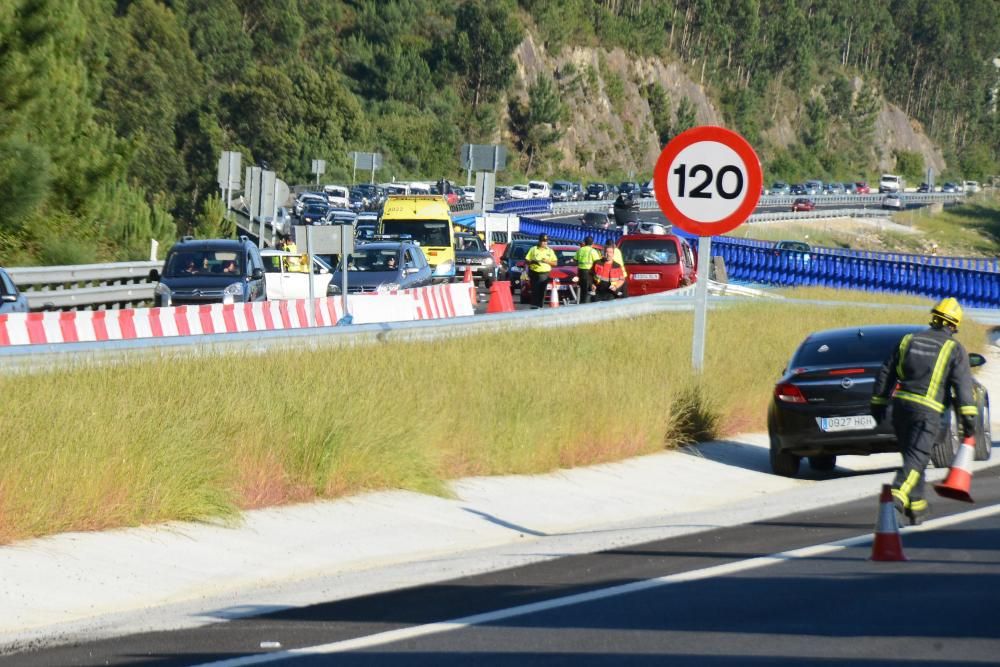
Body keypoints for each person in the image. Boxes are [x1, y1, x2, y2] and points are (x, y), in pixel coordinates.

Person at [870, 297, 978, 525]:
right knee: (918, 458)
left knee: (912, 457)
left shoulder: (908, 340)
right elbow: (963, 387)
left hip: (900, 409)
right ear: (954, 325)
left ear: (934, 318)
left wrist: (878, 403)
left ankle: (916, 505)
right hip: (926, 413)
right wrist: (968, 419)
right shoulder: (954, 349)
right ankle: (897, 498)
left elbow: (886, 372)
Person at [524, 234, 557, 308]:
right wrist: (532, 261)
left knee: (542, 291)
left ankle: (540, 306)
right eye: (543, 241)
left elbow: (555, 263)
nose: (545, 243)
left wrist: (547, 261)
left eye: (546, 241)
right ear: (539, 241)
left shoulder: (550, 251)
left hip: (544, 274)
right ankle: (534, 306)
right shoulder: (533, 249)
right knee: (535, 290)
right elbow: (527, 260)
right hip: (534, 273)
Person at [574, 236, 602, 304]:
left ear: (584, 242)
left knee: (582, 290)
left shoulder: (580, 250)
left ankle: (582, 303)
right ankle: (586, 304)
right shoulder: (593, 251)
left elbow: (575, 260)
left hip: (580, 272)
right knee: (589, 290)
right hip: (589, 273)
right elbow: (598, 262)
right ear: (592, 243)